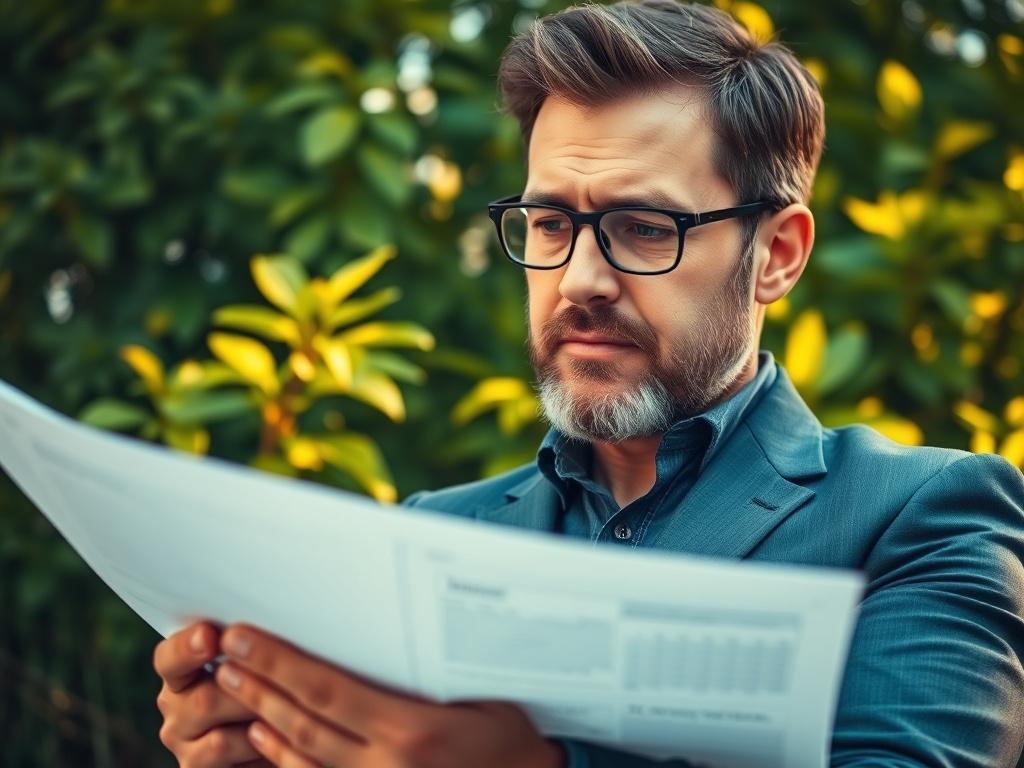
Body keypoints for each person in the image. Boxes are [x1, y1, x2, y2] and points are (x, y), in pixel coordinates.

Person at [152, 2, 1024, 766]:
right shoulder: (429, 535)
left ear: (778, 255)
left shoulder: (921, 514)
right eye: (552, 222)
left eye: (644, 228)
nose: (578, 279)